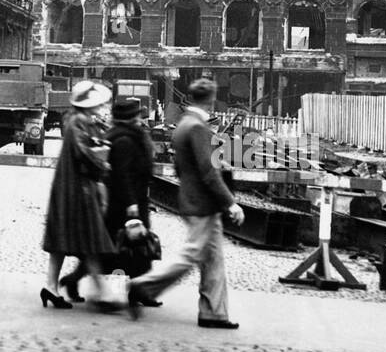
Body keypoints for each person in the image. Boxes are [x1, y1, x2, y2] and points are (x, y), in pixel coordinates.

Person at [127, 78, 244, 327]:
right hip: (202, 202)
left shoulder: (183, 123)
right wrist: (230, 202)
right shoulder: (199, 127)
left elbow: (183, 165)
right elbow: (208, 171)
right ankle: (142, 286)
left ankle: (213, 313)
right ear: (212, 99)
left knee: (213, 258)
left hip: (192, 199)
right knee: (192, 254)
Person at [57, 95, 162, 306]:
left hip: (131, 199)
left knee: (125, 248)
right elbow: (122, 175)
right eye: (137, 117)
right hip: (124, 203)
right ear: (131, 119)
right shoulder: (124, 139)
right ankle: (125, 292)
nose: (140, 120)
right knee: (125, 250)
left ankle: (77, 280)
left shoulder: (127, 135)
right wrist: (132, 203)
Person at [41, 80, 120, 311]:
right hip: (78, 189)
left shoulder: (80, 122)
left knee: (61, 240)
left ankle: (51, 287)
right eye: (98, 102)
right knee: (91, 240)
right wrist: (103, 165)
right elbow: (83, 152)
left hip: (70, 188)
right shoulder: (78, 122)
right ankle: (105, 294)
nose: (102, 106)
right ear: (88, 104)